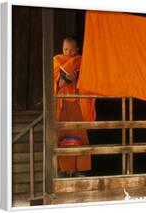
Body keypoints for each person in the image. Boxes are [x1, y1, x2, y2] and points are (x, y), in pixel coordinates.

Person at [53, 37, 96, 177]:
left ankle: (77, 170)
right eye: (65, 49)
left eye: (71, 50)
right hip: (61, 105)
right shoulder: (56, 61)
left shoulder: (81, 62)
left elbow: (88, 81)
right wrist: (62, 82)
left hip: (77, 104)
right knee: (61, 137)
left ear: (77, 50)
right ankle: (62, 170)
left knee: (79, 137)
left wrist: (76, 79)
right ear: (62, 48)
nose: (68, 52)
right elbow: (52, 83)